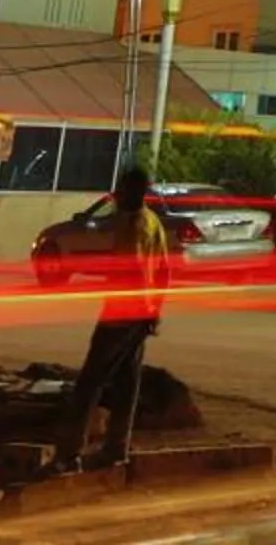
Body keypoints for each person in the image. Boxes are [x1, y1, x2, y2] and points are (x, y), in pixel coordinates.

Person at [55, 168, 168, 471]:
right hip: (140, 315)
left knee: (89, 383)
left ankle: (69, 453)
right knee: (127, 383)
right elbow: (163, 270)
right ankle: (116, 448)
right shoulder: (151, 222)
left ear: (134, 191)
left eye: (122, 189)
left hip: (121, 315)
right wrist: (153, 311)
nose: (118, 194)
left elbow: (132, 273)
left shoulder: (133, 225)